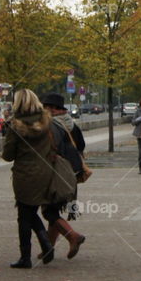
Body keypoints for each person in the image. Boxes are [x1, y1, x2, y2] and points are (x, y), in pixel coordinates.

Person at [2, 89, 77, 267]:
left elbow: (7, 155)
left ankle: (26, 257)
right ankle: (45, 245)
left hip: (25, 175)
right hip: (46, 173)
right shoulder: (47, 122)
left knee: (24, 215)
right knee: (30, 211)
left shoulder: (15, 126)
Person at [40, 92, 89, 255]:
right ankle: (49, 248)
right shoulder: (71, 124)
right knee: (55, 208)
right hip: (72, 173)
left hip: (57, 172)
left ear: (52, 109)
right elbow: (81, 146)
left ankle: (72, 237)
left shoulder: (51, 125)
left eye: (45, 107)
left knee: (49, 210)